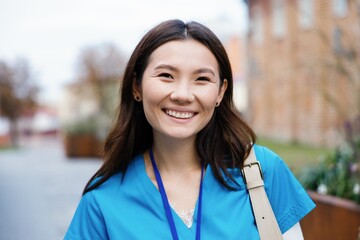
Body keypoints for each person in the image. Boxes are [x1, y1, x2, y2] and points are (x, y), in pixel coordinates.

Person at [64, 19, 315, 240]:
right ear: (136, 87)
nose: (183, 95)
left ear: (221, 92)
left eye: (202, 79)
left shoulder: (262, 172)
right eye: (166, 75)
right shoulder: (103, 199)